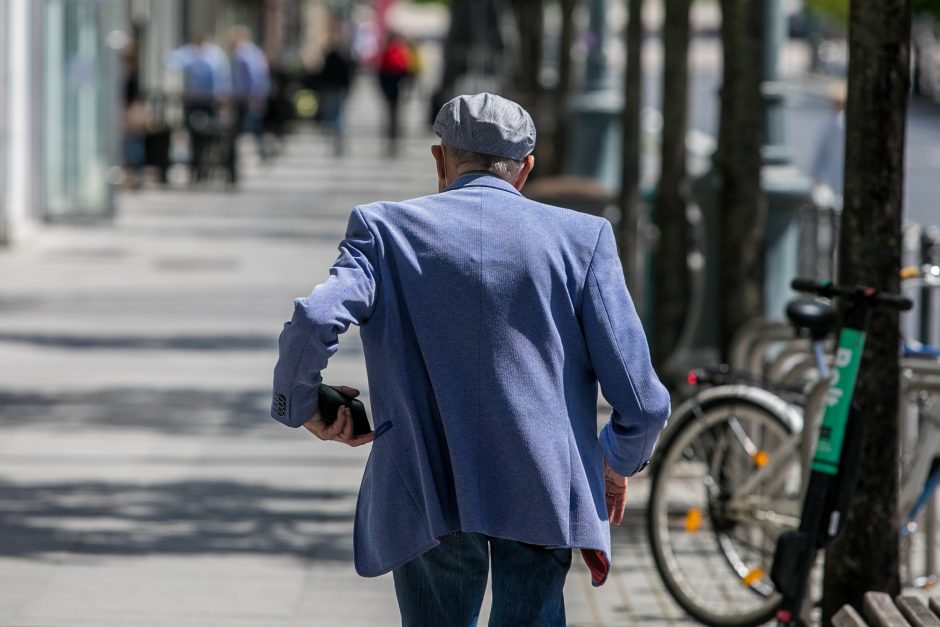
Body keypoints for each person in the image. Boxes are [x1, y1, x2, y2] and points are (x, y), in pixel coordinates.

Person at [270, 93, 670, 626]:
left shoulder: (383, 231)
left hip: (426, 483)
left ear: (440, 160)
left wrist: (304, 406)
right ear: (524, 169)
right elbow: (642, 402)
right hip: (542, 486)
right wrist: (617, 461)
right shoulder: (582, 239)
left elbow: (316, 318)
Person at [166, 36, 231, 183]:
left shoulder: (214, 56)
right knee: (195, 135)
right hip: (195, 102)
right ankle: (197, 167)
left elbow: (221, 80)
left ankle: (205, 165)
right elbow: (171, 61)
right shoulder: (192, 56)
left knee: (209, 136)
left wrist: (221, 99)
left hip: (208, 103)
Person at [229, 26, 271, 174]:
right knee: (255, 127)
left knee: (245, 127)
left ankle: (242, 157)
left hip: (245, 98)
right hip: (251, 96)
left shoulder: (243, 54)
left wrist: (254, 95)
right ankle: (261, 151)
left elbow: (253, 76)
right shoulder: (255, 52)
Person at [315, 30, 355, 157]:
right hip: (337, 88)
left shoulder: (332, 57)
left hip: (331, 88)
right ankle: (337, 136)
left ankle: (336, 136)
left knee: (333, 113)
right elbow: (347, 75)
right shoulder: (342, 56)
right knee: (337, 113)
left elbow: (324, 73)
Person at [376, 32, 413, 156]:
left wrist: (383, 89)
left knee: (390, 117)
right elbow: (406, 71)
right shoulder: (401, 52)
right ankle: (396, 141)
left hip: (389, 91)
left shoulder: (387, 53)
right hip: (398, 91)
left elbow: (381, 73)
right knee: (397, 117)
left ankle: (391, 141)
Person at [810, 82, 846, 210]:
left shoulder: (832, 124)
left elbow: (822, 152)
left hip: (833, 173)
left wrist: (816, 176)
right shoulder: (841, 123)